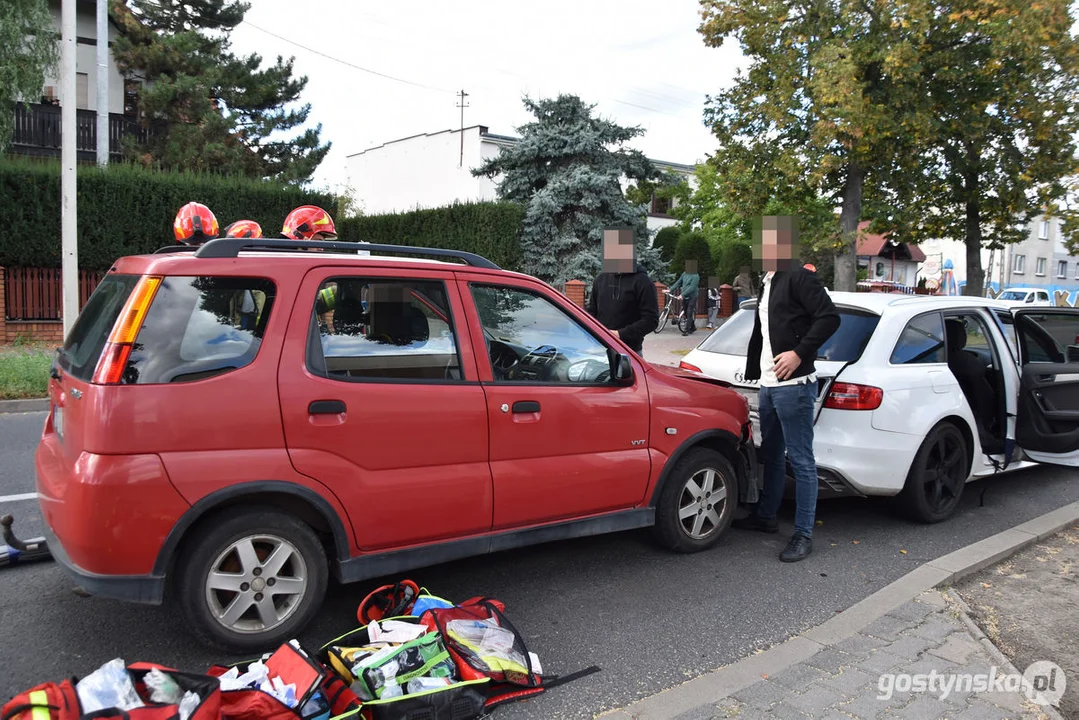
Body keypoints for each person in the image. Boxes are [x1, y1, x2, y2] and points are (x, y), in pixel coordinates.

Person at [732, 216, 839, 563]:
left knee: (802, 461)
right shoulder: (769, 281)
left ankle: (803, 534)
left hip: (794, 386)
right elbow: (766, 331)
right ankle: (765, 517)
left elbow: (829, 317)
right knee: (772, 455)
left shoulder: (799, 277)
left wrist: (798, 353)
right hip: (768, 384)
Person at [586, 228, 659, 357]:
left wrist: (620, 334)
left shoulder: (642, 282)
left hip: (630, 352)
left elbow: (651, 320)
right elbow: (592, 312)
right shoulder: (600, 279)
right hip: (600, 350)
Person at [669, 262, 701, 336]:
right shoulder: (684, 274)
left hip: (692, 297)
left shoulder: (696, 276)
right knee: (686, 313)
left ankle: (686, 331)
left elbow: (692, 287)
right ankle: (692, 327)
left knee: (689, 312)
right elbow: (678, 282)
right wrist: (670, 289)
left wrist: (682, 295)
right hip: (685, 297)